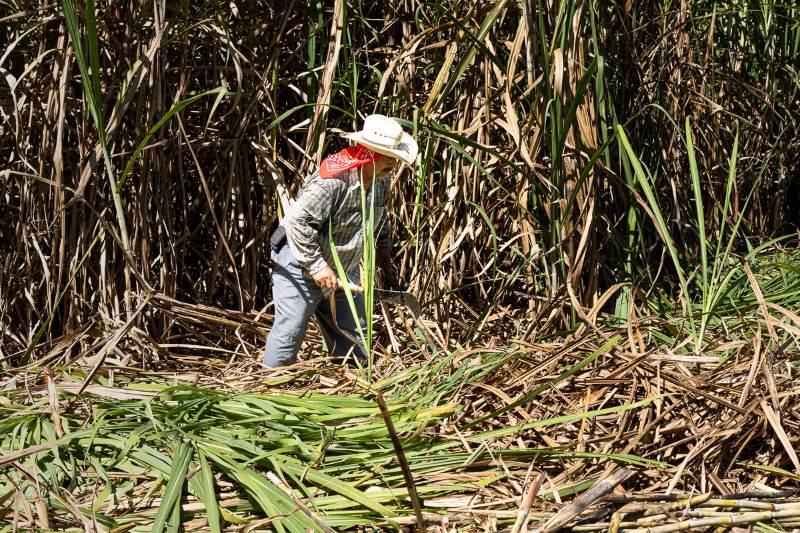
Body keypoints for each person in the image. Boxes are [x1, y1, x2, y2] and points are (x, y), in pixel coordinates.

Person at [263, 114, 418, 368]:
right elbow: (297, 223)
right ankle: (269, 392)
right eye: (389, 157)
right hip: (300, 262)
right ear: (368, 153)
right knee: (290, 331)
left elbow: (380, 216)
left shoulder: (381, 180)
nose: (394, 163)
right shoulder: (332, 182)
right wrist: (317, 266)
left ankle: (355, 387)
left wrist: (384, 252)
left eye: (395, 157)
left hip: (346, 266)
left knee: (354, 333)